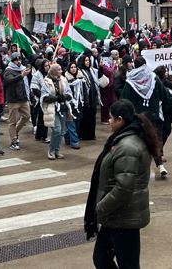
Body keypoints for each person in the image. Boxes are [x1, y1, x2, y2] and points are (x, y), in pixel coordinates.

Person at [84, 99, 161, 269]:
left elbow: (124, 188)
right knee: (101, 258)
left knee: (127, 265)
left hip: (123, 217)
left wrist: (100, 207)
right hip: (116, 217)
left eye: (111, 118)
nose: (108, 121)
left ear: (120, 120)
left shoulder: (127, 146)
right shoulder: (124, 138)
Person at [41, 62, 72, 161]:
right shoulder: (47, 81)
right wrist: (56, 98)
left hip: (63, 108)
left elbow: (69, 93)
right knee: (57, 130)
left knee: (62, 131)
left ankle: (57, 150)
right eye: (59, 69)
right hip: (52, 108)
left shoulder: (63, 80)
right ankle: (51, 150)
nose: (61, 71)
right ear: (54, 71)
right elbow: (44, 96)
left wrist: (64, 97)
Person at [3, 53, 31, 151]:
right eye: (16, 60)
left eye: (19, 59)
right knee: (12, 121)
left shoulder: (22, 69)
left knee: (27, 116)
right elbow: (8, 80)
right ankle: (13, 141)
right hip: (13, 100)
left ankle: (16, 132)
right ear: (12, 61)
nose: (18, 62)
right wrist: (21, 76)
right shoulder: (8, 70)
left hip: (23, 98)